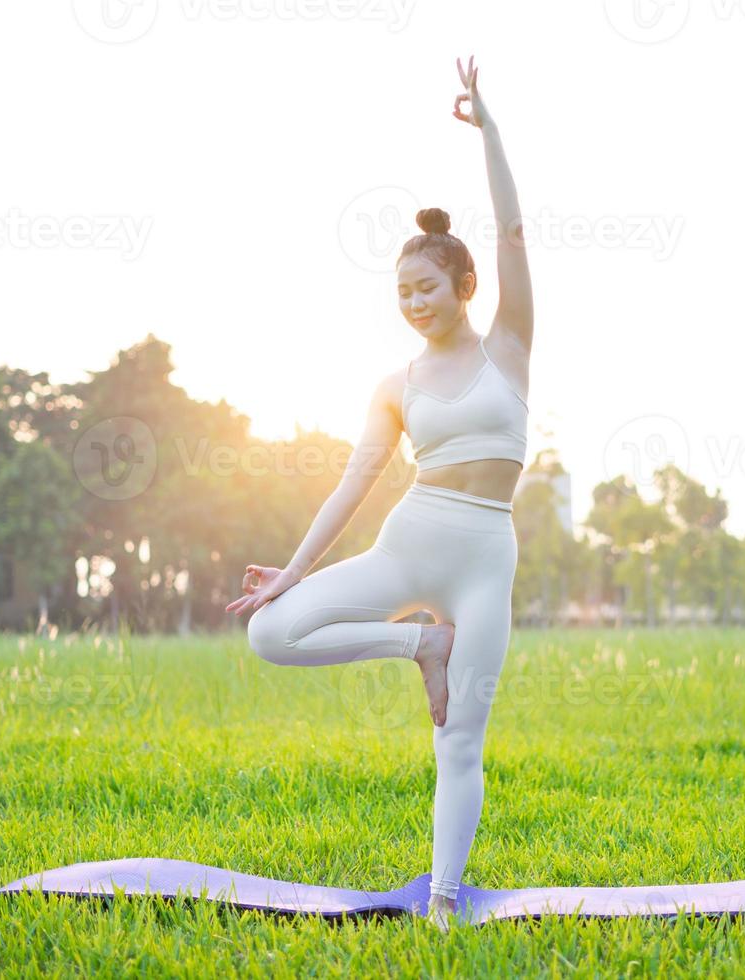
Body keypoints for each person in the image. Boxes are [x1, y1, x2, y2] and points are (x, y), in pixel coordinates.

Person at [224, 55, 532, 933]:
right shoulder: (394, 385)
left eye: (426, 287)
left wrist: (494, 134)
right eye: (400, 293)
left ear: (463, 286)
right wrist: (287, 573)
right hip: (410, 540)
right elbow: (353, 485)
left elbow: (513, 235)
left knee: (460, 741)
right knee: (271, 633)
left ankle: (441, 902)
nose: (412, 303)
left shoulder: (508, 345)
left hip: (484, 557)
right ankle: (418, 648)